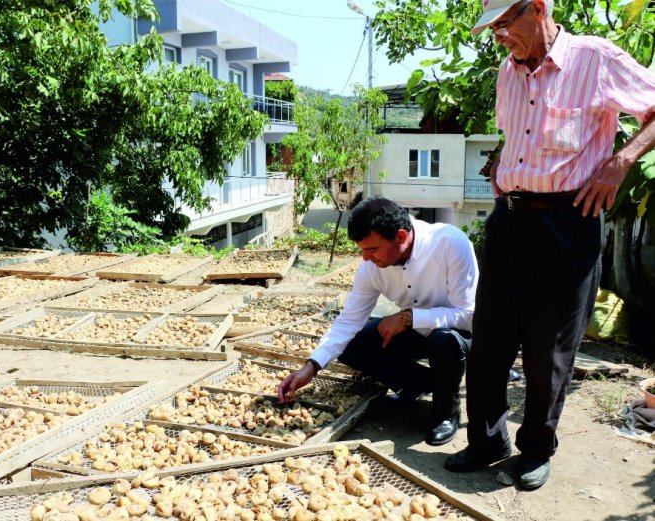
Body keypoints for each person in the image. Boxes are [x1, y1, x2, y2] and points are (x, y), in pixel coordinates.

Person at [445, 0, 655, 490]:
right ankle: (486, 440)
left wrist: (622, 160)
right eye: (491, 27)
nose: (498, 36)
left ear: (536, 9)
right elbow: (518, 135)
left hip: (568, 222)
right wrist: (501, 165)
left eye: (503, 23)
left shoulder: (595, 60)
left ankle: (536, 448)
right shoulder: (507, 71)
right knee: (490, 341)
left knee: (549, 350)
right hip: (509, 223)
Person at [277, 196, 478, 446]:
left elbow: (469, 315)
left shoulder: (450, 243)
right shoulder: (371, 265)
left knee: (445, 340)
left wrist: (408, 318)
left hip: (457, 335)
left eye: (372, 250)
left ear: (401, 237)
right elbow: (349, 320)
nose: (365, 258)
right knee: (353, 343)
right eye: (362, 250)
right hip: (415, 332)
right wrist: (312, 366)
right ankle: (417, 384)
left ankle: (445, 412)